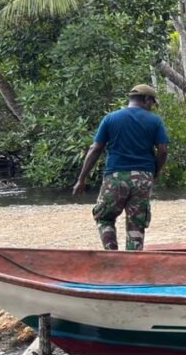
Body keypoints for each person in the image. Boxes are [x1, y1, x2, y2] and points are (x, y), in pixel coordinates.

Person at [72, 84, 170, 251]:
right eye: (152, 103)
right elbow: (163, 150)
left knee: (104, 217)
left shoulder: (110, 118)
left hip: (115, 177)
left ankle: (112, 253)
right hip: (143, 178)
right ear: (146, 99)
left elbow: (95, 149)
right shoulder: (155, 121)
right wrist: (154, 172)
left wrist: (81, 179)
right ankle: (133, 262)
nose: (152, 107)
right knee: (136, 223)